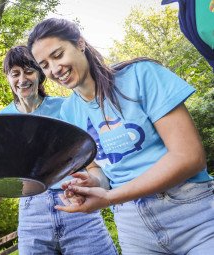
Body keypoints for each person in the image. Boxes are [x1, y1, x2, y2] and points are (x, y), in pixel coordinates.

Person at [27, 18, 214, 254]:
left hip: (191, 212)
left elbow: (189, 157)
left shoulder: (141, 75)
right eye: (44, 65)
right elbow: (98, 170)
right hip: (133, 226)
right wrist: (90, 183)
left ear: (80, 44)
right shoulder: (68, 111)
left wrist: (110, 197)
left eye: (58, 55)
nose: (54, 70)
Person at [0, 46, 117, 254]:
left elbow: (94, 165)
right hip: (31, 210)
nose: (22, 79)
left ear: (40, 75)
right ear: (8, 78)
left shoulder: (67, 108)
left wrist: (95, 185)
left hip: (75, 202)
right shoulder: (1, 120)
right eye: (15, 73)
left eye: (29, 71)